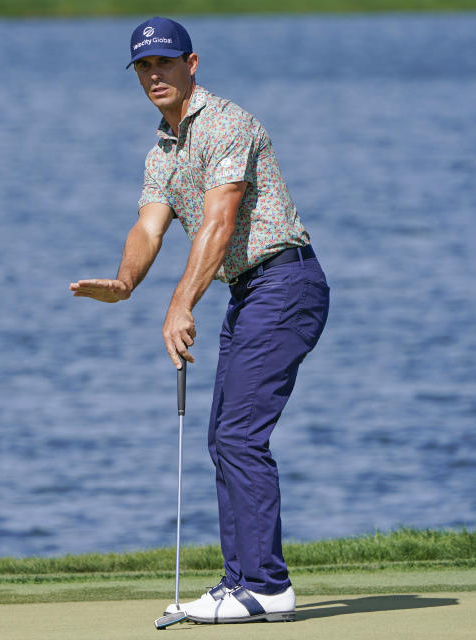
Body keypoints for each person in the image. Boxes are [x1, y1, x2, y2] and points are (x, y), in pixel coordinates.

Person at [69, 16, 329, 624]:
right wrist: (126, 281)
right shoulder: (162, 148)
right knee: (225, 438)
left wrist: (181, 302)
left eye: (164, 63)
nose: (153, 75)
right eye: (143, 67)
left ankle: (266, 586)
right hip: (250, 291)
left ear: (192, 64)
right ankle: (241, 581)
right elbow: (149, 225)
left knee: (239, 436)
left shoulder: (228, 124)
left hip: (286, 283)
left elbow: (218, 220)